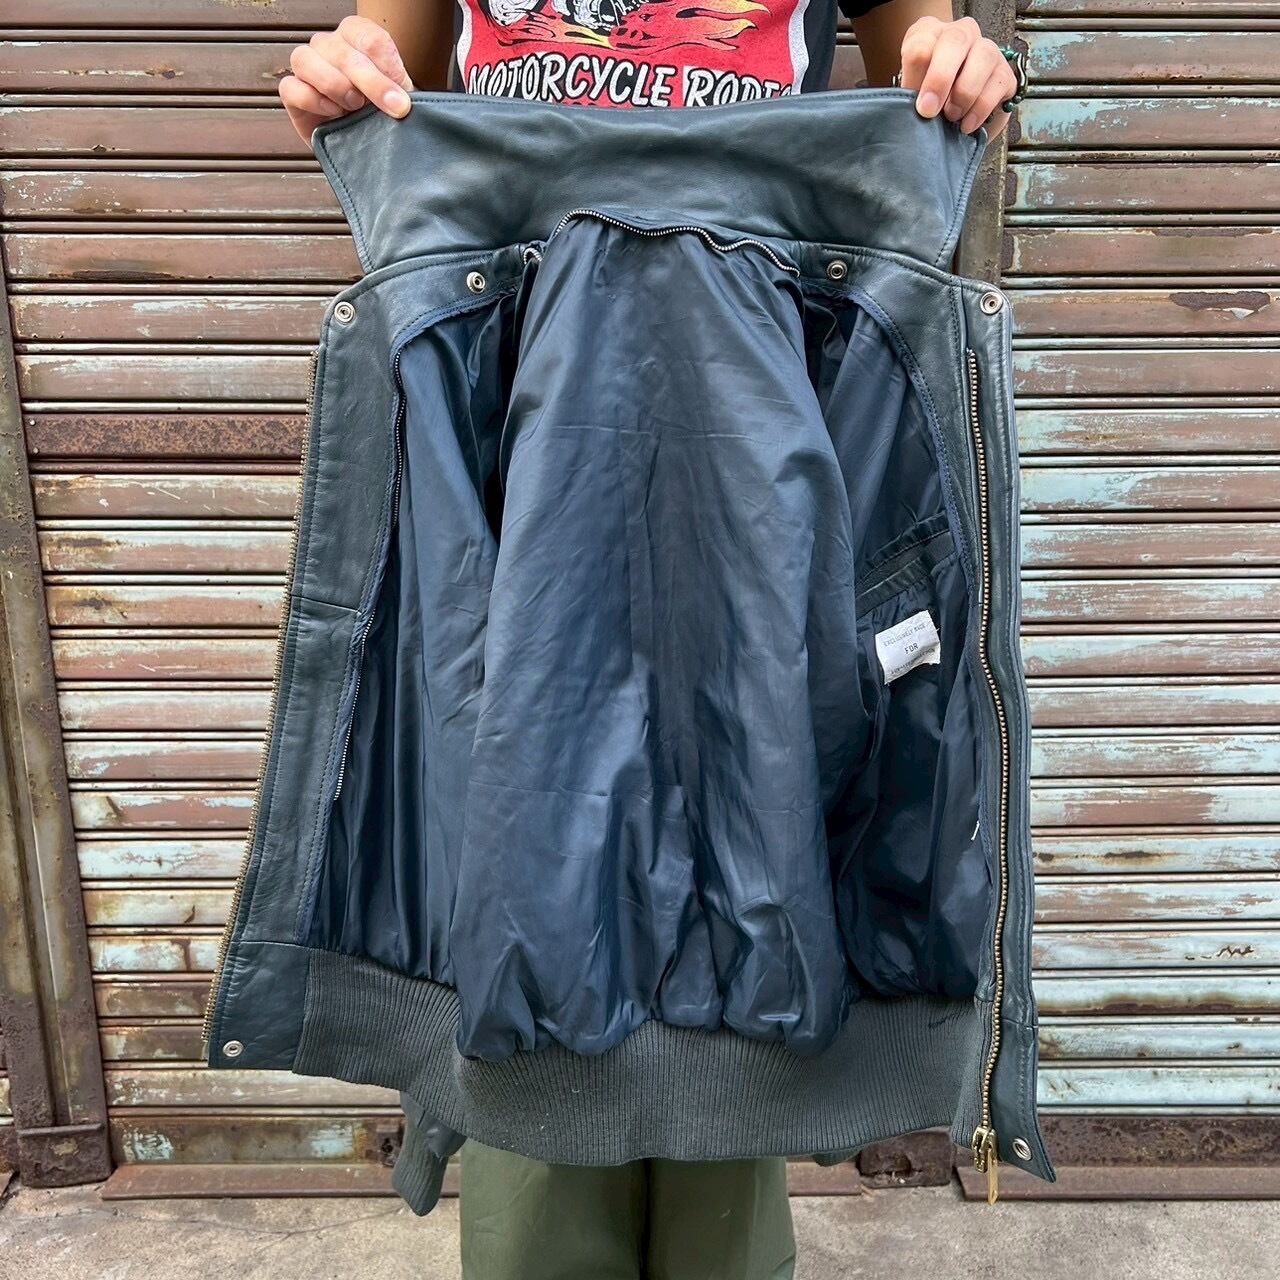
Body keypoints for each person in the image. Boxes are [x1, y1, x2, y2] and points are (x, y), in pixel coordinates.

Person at [276, 4, 1018, 1276]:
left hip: (761, 405)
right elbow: (384, 53)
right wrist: (348, 72)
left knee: (753, 849)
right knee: (522, 868)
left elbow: (924, 49)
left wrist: (951, 61)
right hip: (519, 407)